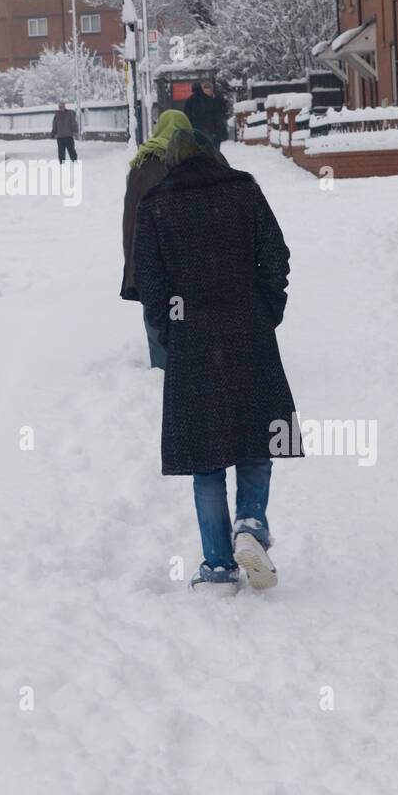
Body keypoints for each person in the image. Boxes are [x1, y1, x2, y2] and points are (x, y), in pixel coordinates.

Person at [133, 123, 295, 594]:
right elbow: (276, 257)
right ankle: (250, 524)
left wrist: (169, 329)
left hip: (192, 339)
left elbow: (151, 281)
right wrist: (267, 309)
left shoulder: (156, 205)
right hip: (249, 330)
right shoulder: (244, 190)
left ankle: (219, 569)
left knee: (206, 459)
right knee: (258, 438)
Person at [121, 109, 223, 368]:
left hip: (154, 254)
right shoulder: (208, 157)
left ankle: (163, 367)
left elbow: (131, 217)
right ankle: (205, 361)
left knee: (157, 312)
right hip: (200, 255)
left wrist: (133, 263)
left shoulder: (142, 164)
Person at [184, 80, 228, 150]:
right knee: (211, 148)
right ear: (201, 88)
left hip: (196, 129)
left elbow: (186, 115)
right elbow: (216, 114)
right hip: (209, 128)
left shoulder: (190, 100)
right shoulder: (209, 99)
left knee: (199, 148)